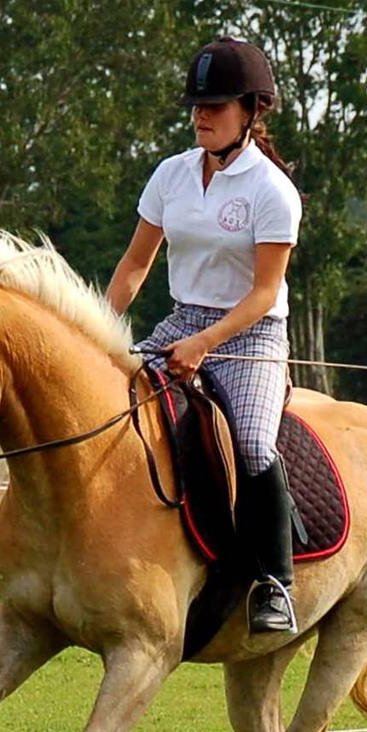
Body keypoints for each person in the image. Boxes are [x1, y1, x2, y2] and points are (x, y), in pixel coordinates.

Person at [106, 37, 303, 635]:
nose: (201, 115)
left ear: (250, 110)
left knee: (250, 447)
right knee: (113, 411)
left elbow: (265, 293)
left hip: (251, 335)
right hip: (181, 319)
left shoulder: (272, 192)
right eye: (197, 105)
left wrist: (204, 346)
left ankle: (275, 581)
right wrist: (98, 329)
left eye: (215, 106)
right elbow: (137, 264)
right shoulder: (170, 176)